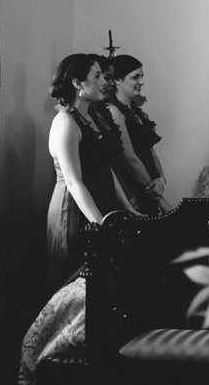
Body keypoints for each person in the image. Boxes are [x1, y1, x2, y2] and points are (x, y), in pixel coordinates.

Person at [47, 54, 139, 289]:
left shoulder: (93, 116)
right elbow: (74, 182)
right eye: (97, 76)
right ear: (78, 84)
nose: (104, 82)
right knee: (79, 283)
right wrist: (99, 225)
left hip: (99, 205)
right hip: (74, 212)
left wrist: (126, 208)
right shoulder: (66, 122)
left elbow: (105, 166)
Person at [106, 55, 174, 215]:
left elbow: (151, 152)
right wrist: (160, 200)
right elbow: (129, 159)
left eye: (142, 76)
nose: (142, 82)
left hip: (149, 189)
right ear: (117, 80)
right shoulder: (113, 111)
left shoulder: (137, 112)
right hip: (132, 190)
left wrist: (161, 180)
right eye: (135, 77)